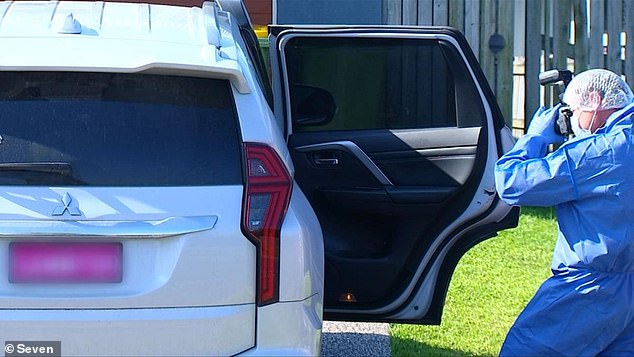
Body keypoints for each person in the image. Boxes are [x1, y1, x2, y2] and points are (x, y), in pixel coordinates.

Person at [495, 68, 634, 356]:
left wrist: (534, 138)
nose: (568, 123)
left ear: (594, 101)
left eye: (570, 112)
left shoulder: (599, 151)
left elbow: (512, 182)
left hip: (589, 290)